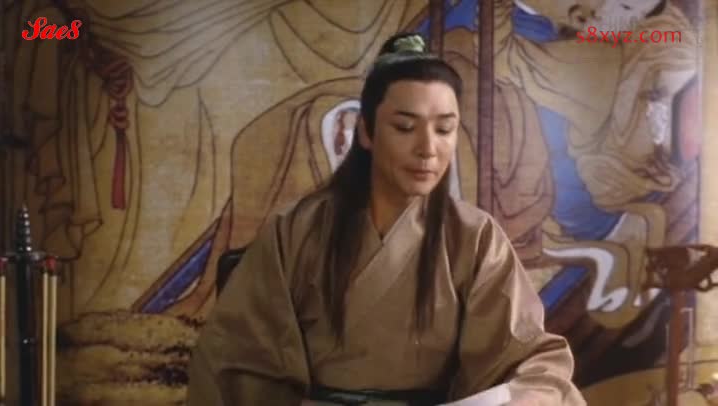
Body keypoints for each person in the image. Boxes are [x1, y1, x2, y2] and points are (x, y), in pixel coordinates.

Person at [185, 32, 586, 406]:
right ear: (365, 132)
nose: (428, 148)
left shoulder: (475, 237)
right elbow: (234, 359)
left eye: (444, 129)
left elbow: (527, 356)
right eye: (405, 127)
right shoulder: (295, 231)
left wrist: (530, 393)